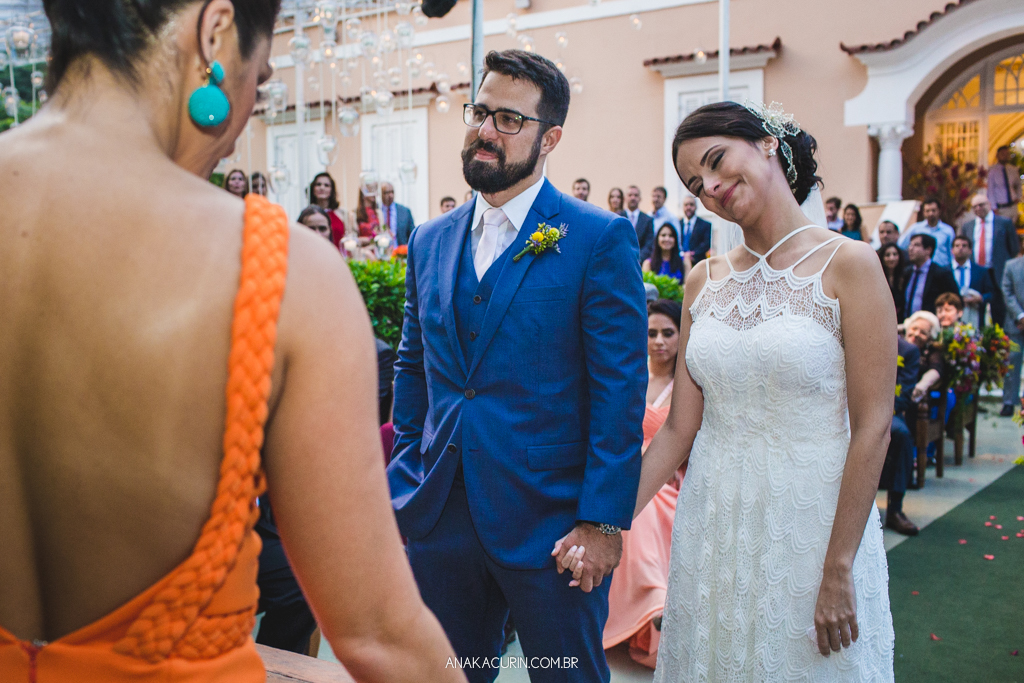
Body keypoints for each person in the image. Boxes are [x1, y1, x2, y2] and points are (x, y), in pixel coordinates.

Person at [0, 1, 465, 682]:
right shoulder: (285, 277)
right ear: (214, 30)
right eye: (261, 77)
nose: (246, 112)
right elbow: (381, 636)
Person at [389, 48, 648, 683]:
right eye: (480, 111)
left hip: (554, 528)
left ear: (549, 137)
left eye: (508, 119)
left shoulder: (597, 238)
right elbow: (413, 365)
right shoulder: (429, 239)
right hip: (441, 517)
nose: (484, 130)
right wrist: (406, 473)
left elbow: (619, 390)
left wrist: (603, 521)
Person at [619, 100, 895, 679]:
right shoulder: (704, 280)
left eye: (717, 162)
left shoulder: (851, 265)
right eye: (697, 183)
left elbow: (872, 425)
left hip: (812, 524)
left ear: (767, 143)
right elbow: (678, 429)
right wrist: (606, 522)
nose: (712, 187)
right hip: (715, 518)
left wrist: (839, 566)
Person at [604, 299, 686, 669]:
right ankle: (649, 606)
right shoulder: (632, 378)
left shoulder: (688, 386)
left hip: (670, 480)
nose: (659, 341)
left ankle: (656, 603)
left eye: (668, 333)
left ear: (681, 336)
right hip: (624, 471)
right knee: (632, 503)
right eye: (651, 333)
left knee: (646, 505)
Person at [878, 334, 921, 536]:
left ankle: (895, 509)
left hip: (885, 410)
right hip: (842, 408)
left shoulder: (907, 350)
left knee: (900, 434)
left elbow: (902, 396)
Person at [960, 193, 1020, 327]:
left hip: (997, 271)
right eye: (974, 206)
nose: (978, 208)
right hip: (977, 273)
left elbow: (1014, 248)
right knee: (976, 310)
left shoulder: (1004, 223)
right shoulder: (967, 226)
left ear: (989, 204)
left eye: (981, 205)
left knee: (999, 310)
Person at [900, 233, 958, 316]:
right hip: (906, 324)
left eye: (916, 245)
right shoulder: (907, 272)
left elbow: (954, 299)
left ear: (928, 250)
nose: (910, 249)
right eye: (910, 245)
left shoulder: (941, 273)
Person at [950, 234, 995, 329]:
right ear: (952, 250)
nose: (960, 248)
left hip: (974, 315)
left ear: (970, 250)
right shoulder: (945, 271)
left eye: (964, 246)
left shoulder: (981, 271)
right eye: (957, 246)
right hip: (950, 315)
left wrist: (980, 298)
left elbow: (991, 293)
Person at [897, 197, 956, 267]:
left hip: (942, 271)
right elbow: (901, 245)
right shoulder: (915, 228)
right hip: (921, 270)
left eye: (933, 210)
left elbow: (952, 253)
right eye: (927, 211)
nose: (931, 214)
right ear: (923, 212)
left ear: (939, 211)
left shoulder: (947, 230)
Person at [1000, 250, 1024, 416]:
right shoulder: (1011, 265)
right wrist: (1020, 315)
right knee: (1012, 363)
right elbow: (1007, 291)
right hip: (1016, 323)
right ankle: (1009, 401)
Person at [308, 172, 348, 249]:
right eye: (318, 184)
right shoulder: (307, 215)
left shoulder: (341, 214)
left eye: (326, 185)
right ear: (313, 189)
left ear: (331, 190)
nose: (322, 188)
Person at [987, 145, 1022, 221]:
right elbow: (990, 190)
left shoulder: (1013, 169)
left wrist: (1018, 197)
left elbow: (1018, 184)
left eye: (1007, 154)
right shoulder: (992, 171)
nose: (1005, 156)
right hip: (1001, 207)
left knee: (1011, 229)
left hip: (1012, 206)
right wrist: (994, 207)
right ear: (997, 155)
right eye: (1002, 154)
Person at [878, 243, 908, 321]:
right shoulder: (878, 277)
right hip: (882, 318)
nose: (892, 258)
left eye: (895, 254)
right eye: (887, 255)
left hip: (902, 319)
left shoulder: (906, 276)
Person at [380, 181, 416, 246]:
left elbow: (412, 235)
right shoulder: (377, 211)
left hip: (400, 252)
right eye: (386, 193)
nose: (390, 195)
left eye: (392, 192)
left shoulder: (405, 212)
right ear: (381, 194)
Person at [678, 195, 712, 264]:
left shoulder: (705, 225)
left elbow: (706, 243)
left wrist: (692, 254)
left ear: (696, 207)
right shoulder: (677, 224)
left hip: (698, 262)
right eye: (686, 205)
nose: (688, 207)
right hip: (679, 262)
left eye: (691, 204)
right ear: (683, 207)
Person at [626, 185, 655, 263]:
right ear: (625, 198)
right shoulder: (618, 217)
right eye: (630, 195)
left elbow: (649, 244)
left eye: (636, 195)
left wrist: (638, 258)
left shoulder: (648, 220)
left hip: (640, 262)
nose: (633, 198)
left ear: (640, 199)